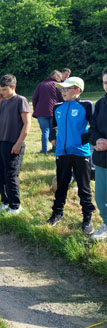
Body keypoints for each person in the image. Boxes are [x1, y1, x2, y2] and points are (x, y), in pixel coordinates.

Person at [47, 77, 96, 234]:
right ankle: (57, 213)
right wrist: (53, 138)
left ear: (77, 90)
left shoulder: (86, 105)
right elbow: (53, 125)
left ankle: (87, 217)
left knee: (84, 186)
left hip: (81, 153)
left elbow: (95, 127)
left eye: (66, 89)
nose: (63, 92)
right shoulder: (57, 107)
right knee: (61, 184)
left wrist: (83, 140)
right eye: (61, 89)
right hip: (62, 152)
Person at [0, 74, 31, 215]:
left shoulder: (21, 100)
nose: (1, 92)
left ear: (12, 87)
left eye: (4, 89)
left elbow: (27, 123)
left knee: (10, 175)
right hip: (0, 141)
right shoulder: (2, 102)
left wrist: (18, 143)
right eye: (0, 89)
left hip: (13, 143)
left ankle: (15, 206)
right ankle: (5, 201)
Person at [90, 68, 107, 240]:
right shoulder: (100, 104)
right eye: (105, 82)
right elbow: (93, 128)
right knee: (101, 195)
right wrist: (97, 140)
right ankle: (106, 224)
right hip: (102, 158)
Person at [32, 70, 64, 154]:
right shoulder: (57, 85)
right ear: (57, 77)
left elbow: (34, 98)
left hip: (41, 112)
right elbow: (61, 98)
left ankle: (44, 150)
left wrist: (36, 109)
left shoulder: (41, 85)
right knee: (55, 130)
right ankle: (54, 148)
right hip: (54, 111)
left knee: (45, 132)